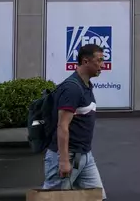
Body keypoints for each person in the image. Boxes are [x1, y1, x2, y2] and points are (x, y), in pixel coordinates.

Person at [42, 43, 107, 199]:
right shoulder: (72, 89)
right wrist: (64, 161)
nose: (102, 65)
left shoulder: (86, 86)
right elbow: (62, 126)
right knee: (52, 198)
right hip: (66, 156)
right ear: (85, 61)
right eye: (99, 61)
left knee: (98, 197)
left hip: (85, 155)